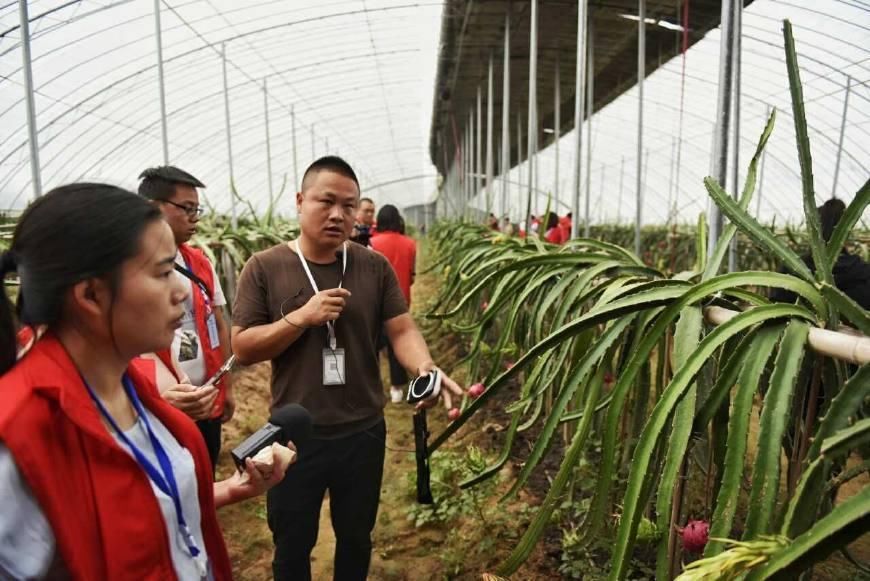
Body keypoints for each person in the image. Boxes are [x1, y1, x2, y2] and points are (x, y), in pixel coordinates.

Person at [0, 184, 295, 580]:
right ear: (91, 294)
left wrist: (229, 488)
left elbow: (138, 507)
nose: (181, 292)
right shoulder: (18, 439)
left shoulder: (135, 393)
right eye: (162, 273)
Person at [231, 156, 464, 581]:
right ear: (300, 201)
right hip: (293, 435)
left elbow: (401, 329)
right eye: (326, 201)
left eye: (349, 205)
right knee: (292, 543)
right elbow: (243, 347)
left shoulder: (372, 266)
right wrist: (299, 318)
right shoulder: (264, 267)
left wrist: (424, 366)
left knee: (356, 537)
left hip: (363, 430)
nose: (338, 214)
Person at [139, 166, 235, 474]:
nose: (195, 217)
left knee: (204, 469)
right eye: (187, 208)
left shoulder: (199, 262)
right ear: (154, 207)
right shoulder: (130, 265)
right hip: (164, 402)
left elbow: (217, 322)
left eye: (197, 209)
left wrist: (226, 386)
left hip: (205, 395)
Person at [772, 198, 870, 309]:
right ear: (848, 230)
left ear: (812, 231)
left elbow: (776, 310)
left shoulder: (793, 269)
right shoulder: (864, 273)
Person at [370, 204, 417, 403]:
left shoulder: (372, 243)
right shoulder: (410, 244)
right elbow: (412, 276)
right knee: (397, 341)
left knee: (371, 344)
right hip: (401, 300)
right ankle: (397, 389)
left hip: (375, 301)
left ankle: (374, 387)